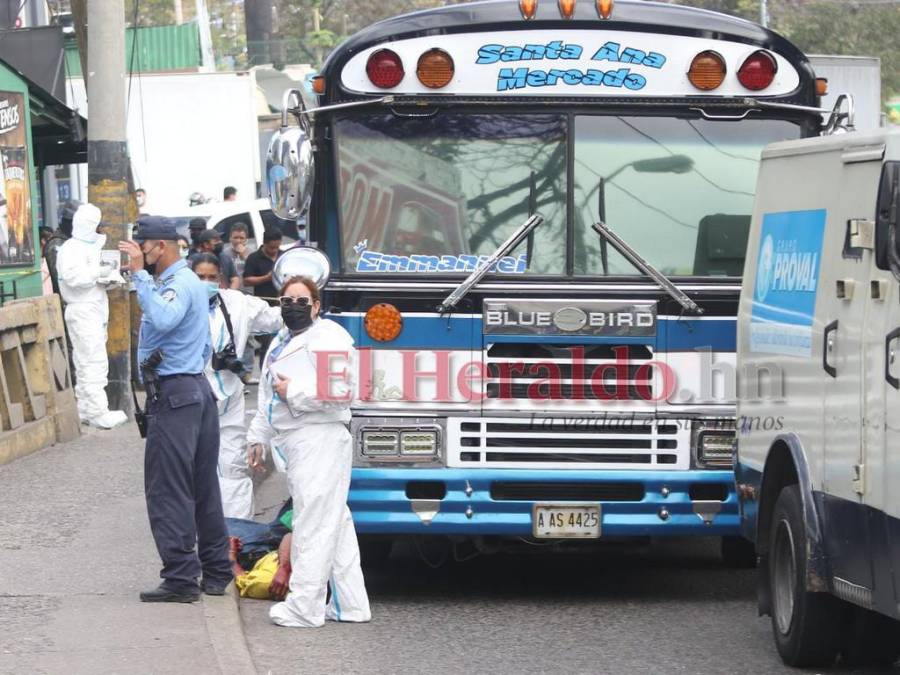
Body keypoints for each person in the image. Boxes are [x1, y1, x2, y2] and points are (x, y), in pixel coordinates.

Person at [118, 217, 233, 603]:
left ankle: (181, 577)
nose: (140, 255)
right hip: (195, 389)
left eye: (142, 248)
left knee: (169, 488)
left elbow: (164, 319)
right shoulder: (193, 285)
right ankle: (216, 571)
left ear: (160, 247)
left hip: (176, 393)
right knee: (203, 487)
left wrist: (140, 277)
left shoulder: (176, 283)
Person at [247, 275, 370, 628]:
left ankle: (305, 607)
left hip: (319, 438)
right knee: (334, 523)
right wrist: (257, 437)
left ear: (317, 306)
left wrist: (295, 391)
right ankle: (351, 604)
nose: (294, 308)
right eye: (287, 301)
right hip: (298, 440)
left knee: (313, 524)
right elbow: (267, 398)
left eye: (302, 301)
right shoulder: (282, 341)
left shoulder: (330, 337)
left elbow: (343, 390)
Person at [192, 253, 281, 519]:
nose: (207, 283)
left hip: (228, 400)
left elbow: (276, 318)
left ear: (221, 279)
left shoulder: (237, 304)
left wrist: (301, 304)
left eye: (212, 277)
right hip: (191, 400)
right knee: (191, 468)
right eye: (200, 277)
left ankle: (236, 537)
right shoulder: (178, 304)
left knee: (232, 468)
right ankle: (197, 534)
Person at [55, 204, 128, 430]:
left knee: (90, 360)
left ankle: (86, 408)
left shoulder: (86, 247)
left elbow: (89, 281)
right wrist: (99, 273)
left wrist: (108, 279)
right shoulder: (70, 248)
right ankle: (97, 411)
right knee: (92, 361)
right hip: (83, 310)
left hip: (93, 308)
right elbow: (73, 277)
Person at [244, 229, 283, 368]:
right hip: (264, 307)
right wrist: (266, 278)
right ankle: (265, 372)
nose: (274, 250)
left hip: (283, 305)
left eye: (277, 247)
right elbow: (247, 280)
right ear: (264, 244)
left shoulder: (284, 257)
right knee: (267, 344)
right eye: (271, 247)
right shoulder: (254, 258)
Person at [220, 222, 253, 291]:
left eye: (241, 238)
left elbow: (254, 271)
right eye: (235, 238)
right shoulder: (224, 254)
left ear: (246, 239)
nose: (238, 241)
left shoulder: (252, 253)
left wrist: (243, 254)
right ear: (230, 238)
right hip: (231, 291)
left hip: (248, 292)